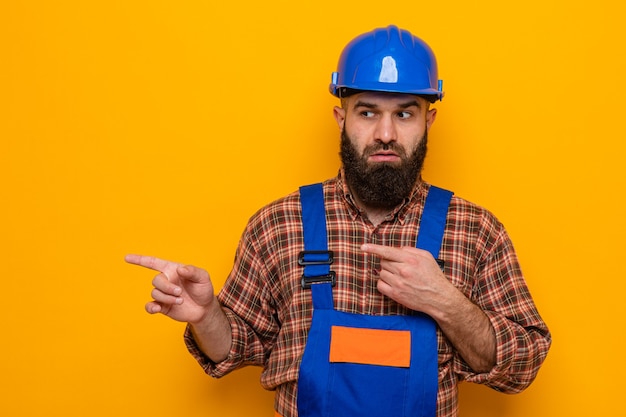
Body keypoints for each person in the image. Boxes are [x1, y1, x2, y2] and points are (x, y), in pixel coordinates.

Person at [126, 25, 551, 417]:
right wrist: (206, 317)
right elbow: (235, 348)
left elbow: (524, 365)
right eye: (367, 112)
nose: (385, 133)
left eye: (405, 113)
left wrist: (446, 301)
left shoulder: (475, 232)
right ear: (341, 117)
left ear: (429, 120)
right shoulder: (279, 224)